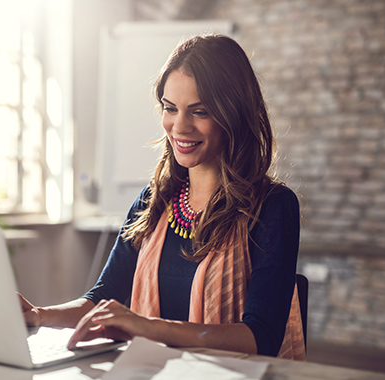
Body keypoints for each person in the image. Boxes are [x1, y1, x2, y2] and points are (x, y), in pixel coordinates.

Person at [18, 34, 306, 360]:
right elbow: (104, 298)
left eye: (199, 111)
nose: (179, 127)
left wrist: (149, 327)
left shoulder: (273, 205)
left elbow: (262, 338)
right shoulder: (153, 201)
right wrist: (39, 315)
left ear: (233, 114)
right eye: (170, 109)